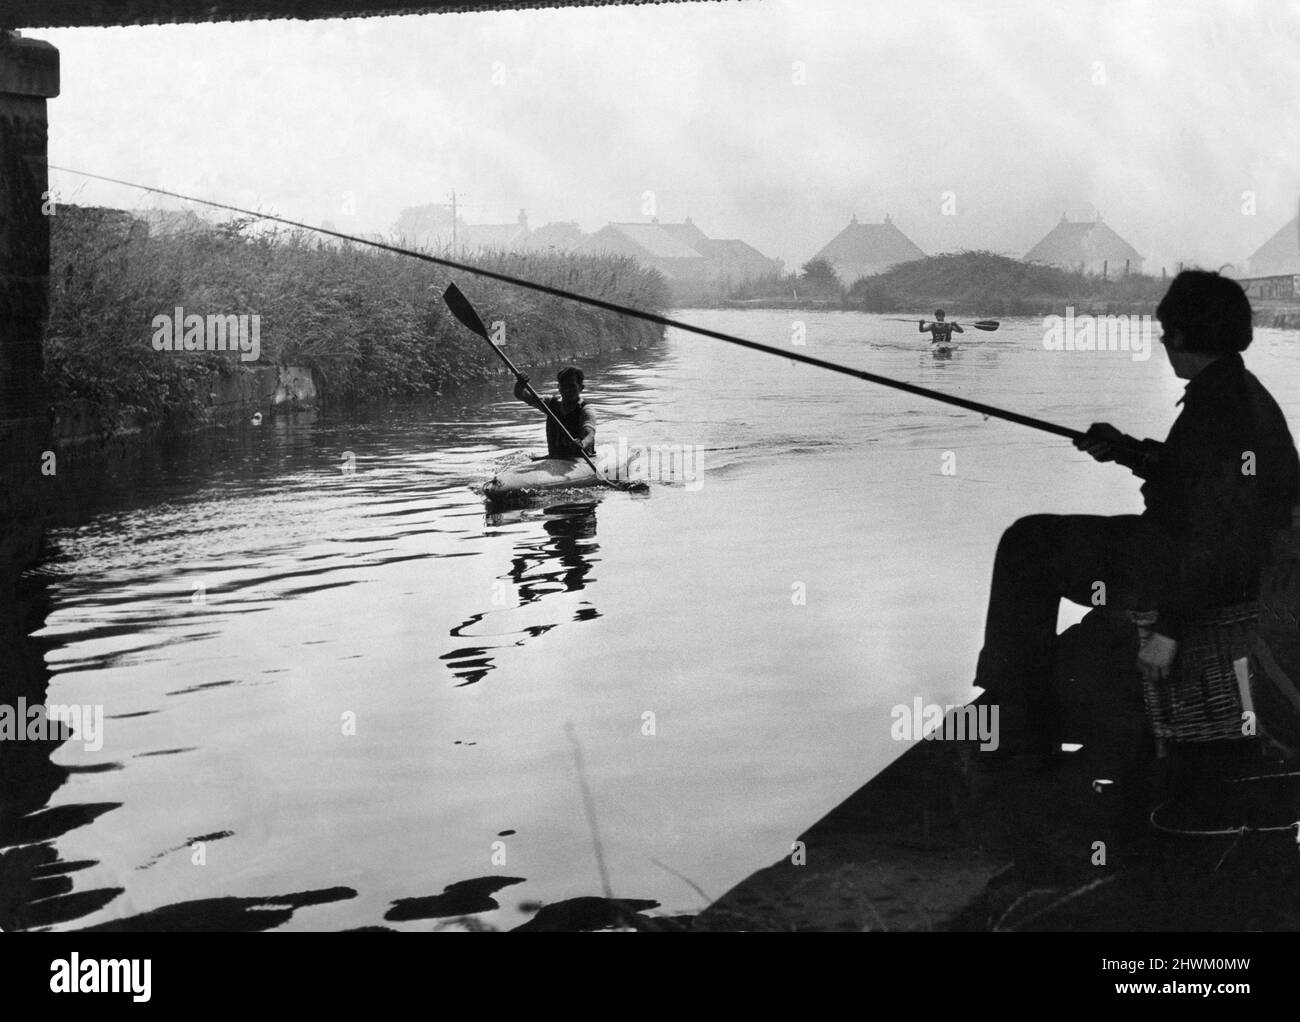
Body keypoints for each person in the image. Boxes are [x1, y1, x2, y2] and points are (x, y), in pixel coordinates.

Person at [973, 270, 1299, 756]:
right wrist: (1125, 450)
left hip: (1190, 569)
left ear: (1183, 336)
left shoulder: (1220, 407)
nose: (1165, 342)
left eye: (1167, 332)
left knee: (1028, 545)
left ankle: (1013, 708)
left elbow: (1219, 535)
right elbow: (1194, 480)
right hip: (1195, 555)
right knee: (1034, 539)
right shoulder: (1234, 390)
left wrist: (1169, 630)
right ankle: (1016, 696)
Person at [513, 365, 597, 459]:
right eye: (563, 386)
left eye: (572, 386)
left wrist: (582, 443)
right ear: (558, 387)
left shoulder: (586, 410)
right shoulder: (550, 403)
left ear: (581, 387)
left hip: (580, 459)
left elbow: (590, 433)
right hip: (555, 458)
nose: (567, 390)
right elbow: (521, 395)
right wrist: (520, 384)